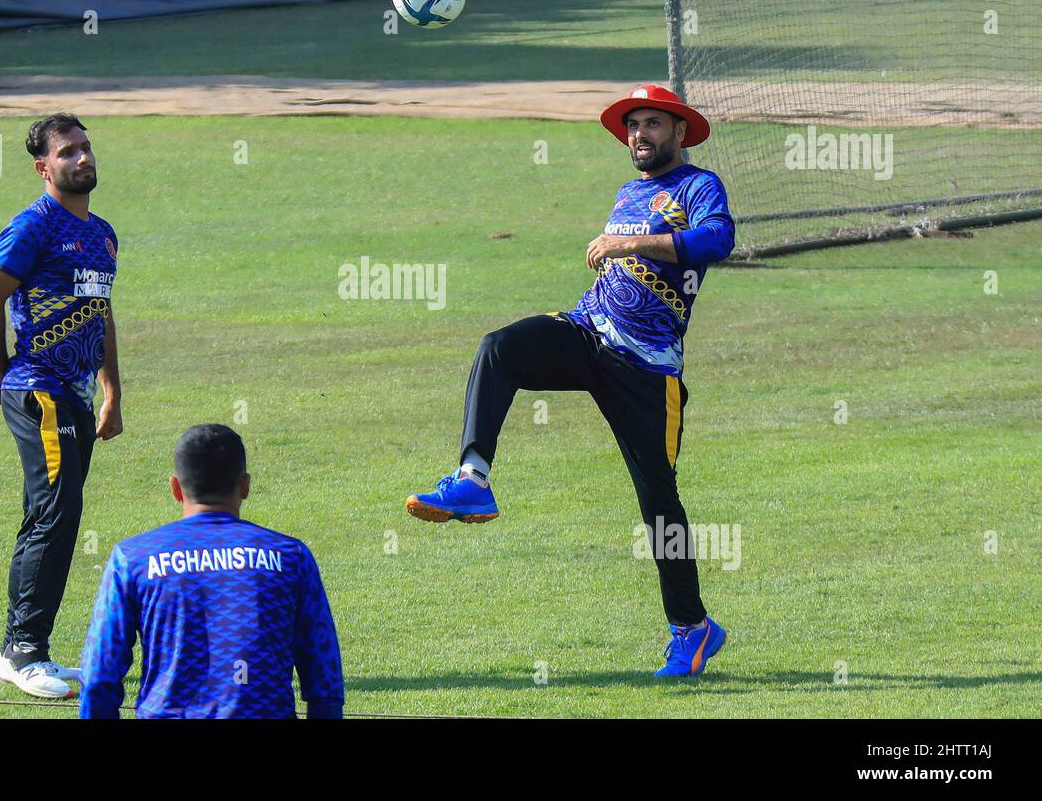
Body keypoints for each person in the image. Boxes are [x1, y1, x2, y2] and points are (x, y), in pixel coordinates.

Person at [405, 84, 735, 678]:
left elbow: (718, 240)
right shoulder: (629, 191)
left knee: (659, 504)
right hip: (589, 333)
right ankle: (472, 478)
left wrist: (627, 242)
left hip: (647, 369)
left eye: (653, 124)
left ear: (680, 132)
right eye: (633, 125)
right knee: (499, 349)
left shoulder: (698, 186)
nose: (640, 134)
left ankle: (693, 629)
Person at [0, 113, 123, 699]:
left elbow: (101, 312)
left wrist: (112, 390)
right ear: (44, 167)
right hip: (40, 391)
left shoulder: (103, 233)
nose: (83, 159)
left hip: (76, 396)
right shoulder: (32, 227)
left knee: (56, 514)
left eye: (86, 148)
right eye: (68, 153)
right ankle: (20, 654)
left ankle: (30, 649)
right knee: (54, 513)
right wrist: (1, 371)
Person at [80, 424, 344, 718]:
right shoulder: (290, 557)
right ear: (245, 486)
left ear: (176, 488)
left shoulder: (133, 558)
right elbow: (325, 681)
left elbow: (98, 679)